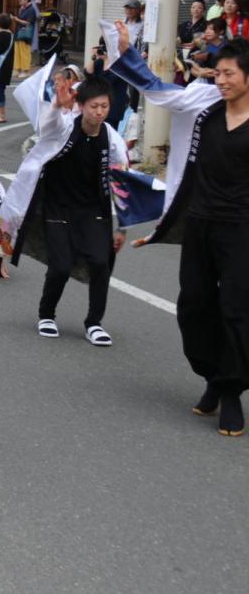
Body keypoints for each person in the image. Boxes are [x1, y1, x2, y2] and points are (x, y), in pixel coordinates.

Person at [103, 25, 249, 437]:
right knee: (194, 307)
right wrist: (126, 53)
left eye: (229, 74)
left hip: (242, 229)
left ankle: (230, 391)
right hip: (200, 221)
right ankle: (212, 376)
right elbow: (158, 89)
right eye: (217, 73)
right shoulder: (205, 105)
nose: (220, 80)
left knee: (237, 311)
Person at [0, 74, 136, 346]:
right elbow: (49, 125)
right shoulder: (66, 127)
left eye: (104, 106)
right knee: (60, 266)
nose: (99, 112)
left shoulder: (112, 139)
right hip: (57, 207)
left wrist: (123, 226)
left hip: (93, 210)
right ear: (81, 105)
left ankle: (94, 323)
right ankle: (47, 314)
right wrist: (57, 104)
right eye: (93, 106)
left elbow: (122, 181)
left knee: (100, 264)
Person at [13, 0, 37, 79]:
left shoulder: (31, 9)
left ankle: (25, 70)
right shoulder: (22, 9)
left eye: (21, 0)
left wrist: (17, 19)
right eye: (19, 0)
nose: (19, 2)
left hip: (25, 34)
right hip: (19, 33)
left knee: (24, 53)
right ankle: (18, 69)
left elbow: (28, 23)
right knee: (18, 52)